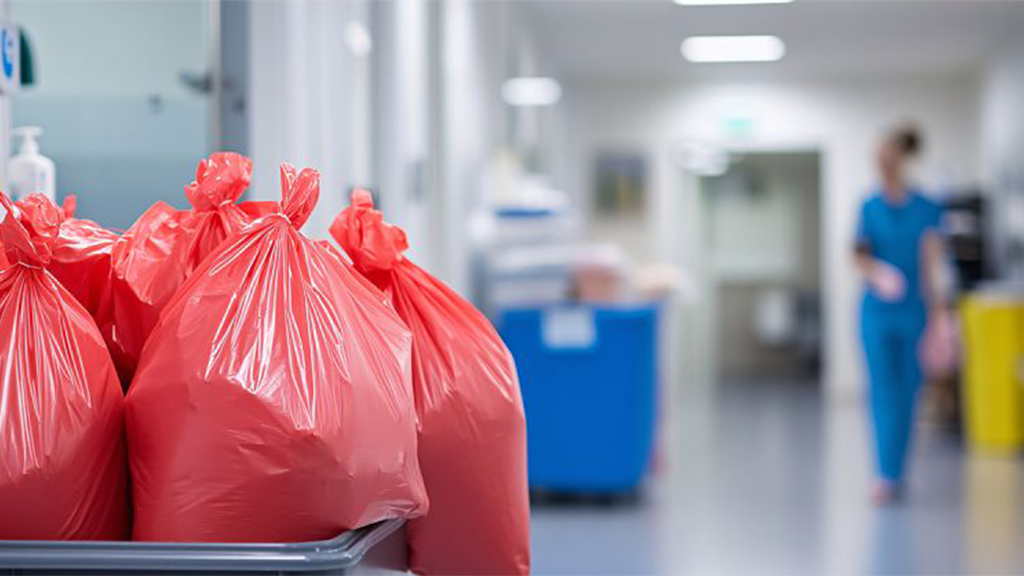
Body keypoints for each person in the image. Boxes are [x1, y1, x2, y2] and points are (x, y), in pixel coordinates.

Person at [854, 124, 948, 505]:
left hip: (914, 313)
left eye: (889, 158)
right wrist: (877, 273)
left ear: (903, 159)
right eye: (879, 160)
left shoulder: (926, 207)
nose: (884, 165)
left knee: (909, 391)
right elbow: (859, 254)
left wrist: (941, 315)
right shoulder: (868, 205)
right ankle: (884, 474)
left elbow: (933, 264)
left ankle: (897, 469)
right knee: (882, 392)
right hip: (876, 312)